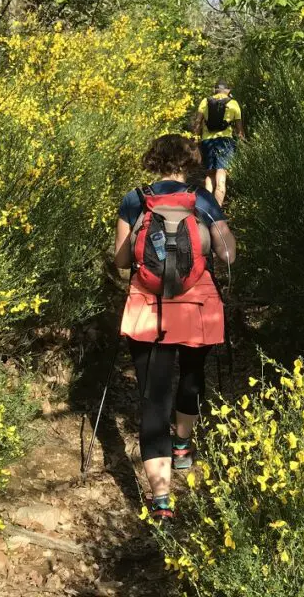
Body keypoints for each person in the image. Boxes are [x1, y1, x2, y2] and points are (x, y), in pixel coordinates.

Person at [113, 134, 236, 524]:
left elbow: (119, 259)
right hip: (199, 305)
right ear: (189, 161)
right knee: (193, 375)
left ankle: (161, 499)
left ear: (153, 161)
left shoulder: (135, 199)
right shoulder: (202, 200)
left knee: (153, 398)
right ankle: (182, 446)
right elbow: (227, 253)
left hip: (148, 309)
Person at [193, 80, 245, 206]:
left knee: (210, 176)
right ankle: (216, 213)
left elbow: (197, 123)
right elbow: (239, 130)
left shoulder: (205, 101)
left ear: (214, 90)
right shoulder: (233, 103)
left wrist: (195, 138)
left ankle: (204, 210)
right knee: (221, 176)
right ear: (228, 90)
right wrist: (243, 143)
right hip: (225, 142)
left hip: (207, 141)